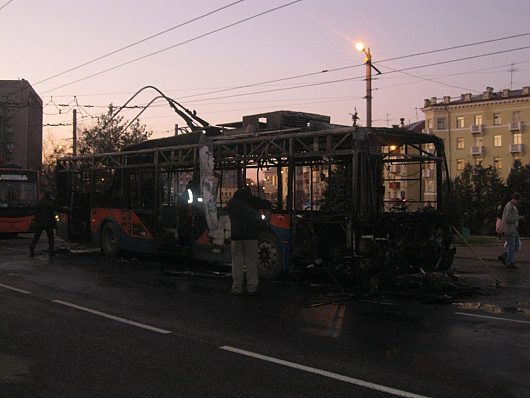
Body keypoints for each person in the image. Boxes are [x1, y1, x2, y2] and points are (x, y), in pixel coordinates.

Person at [226, 186, 271, 296]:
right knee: (251, 263)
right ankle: (252, 287)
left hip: (236, 237)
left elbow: (231, 217)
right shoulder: (252, 201)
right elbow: (267, 204)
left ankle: (237, 288)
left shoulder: (232, 203)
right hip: (251, 237)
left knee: (237, 263)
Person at [498, 192, 524, 269]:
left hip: (513, 229)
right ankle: (510, 262)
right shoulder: (510, 206)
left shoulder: (513, 206)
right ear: (515, 199)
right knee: (512, 246)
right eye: (518, 201)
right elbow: (508, 219)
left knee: (516, 246)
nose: (518, 203)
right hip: (509, 229)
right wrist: (519, 218)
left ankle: (505, 256)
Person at [30, 190, 57, 257]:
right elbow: (55, 211)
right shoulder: (51, 203)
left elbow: (35, 212)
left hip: (39, 223)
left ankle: (32, 249)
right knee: (51, 238)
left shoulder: (40, 202)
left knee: (36, 237)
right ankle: (51, 251)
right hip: (48, 223)